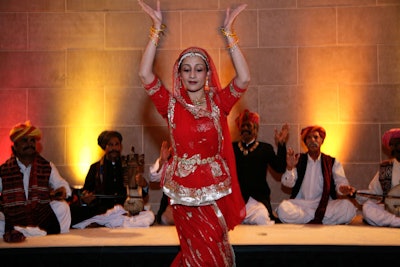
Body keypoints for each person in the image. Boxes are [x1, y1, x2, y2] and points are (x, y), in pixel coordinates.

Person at [138, 0, 250, 265]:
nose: (192, 75)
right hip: (183, 192)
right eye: (186, 70)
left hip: (214, 188)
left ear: (207, 73)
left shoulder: (219, 103)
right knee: (193, 252)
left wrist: (228, 34)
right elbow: (145, 74)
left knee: (214, 246)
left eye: (198, 69)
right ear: (179, 74)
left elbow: (243, 79)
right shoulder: (171, 106)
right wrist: (156, 30)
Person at [0, 121, 71, 242]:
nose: (29, 144)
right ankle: (34, 234)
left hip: (41, 217)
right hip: (13, 217)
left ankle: (25, 233)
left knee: (62, 207)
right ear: (15, 146)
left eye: (32, 141)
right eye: (24, 141)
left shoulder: (47, 166)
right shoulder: (4, 170)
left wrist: (63, 190)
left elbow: (62, 184)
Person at [70, 130, 154, 229]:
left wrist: (144, 185)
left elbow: (141, 195)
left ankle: (111, 223)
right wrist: (85, 198)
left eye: (116, 144)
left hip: (124, 211)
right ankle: (113, 222)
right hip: (102, 212)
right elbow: (85, 192)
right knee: (76, 216)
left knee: (150, 215)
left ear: (120, 146)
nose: (114, 148)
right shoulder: (95, 168)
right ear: (104, 147)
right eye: (110, 145)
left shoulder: (129, 166)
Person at [276, 125, 357, 225]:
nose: (312, 140)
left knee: (348, 207)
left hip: (325, 205)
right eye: (308, 138)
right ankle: (320, 218)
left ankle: (308, 218)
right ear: (305, 142)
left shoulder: (332, 161)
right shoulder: (298, 159)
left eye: (315, 137)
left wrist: (342, 188)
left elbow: (340, 181)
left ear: (321, 140)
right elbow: (288, 184)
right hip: (302, 204)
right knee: (283, 208)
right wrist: (289, 168)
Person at [233, 109, 288, 225]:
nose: (245, 128)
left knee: (262, 219)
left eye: (248, 125)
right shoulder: (232, 148)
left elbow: (280, 168)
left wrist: (281, 145)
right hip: (236, 201)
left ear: (256, 129)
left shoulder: (265, 148)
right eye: (242, 126)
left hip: (257, 202)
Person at [356, 128, 400, 227]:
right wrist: (355, 193)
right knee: (368, 207)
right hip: (391, 211)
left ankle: (394, 222)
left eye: (398, 144)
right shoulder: (386, 168)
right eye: (392, 145)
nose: (395, 148)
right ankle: (396, 222)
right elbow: (374, 194)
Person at [149, 140, 174, 225]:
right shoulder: (169, 156)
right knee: (165, 217)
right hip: (169, 204)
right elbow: (153, 178)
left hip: (192, 203)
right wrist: (162, 161)